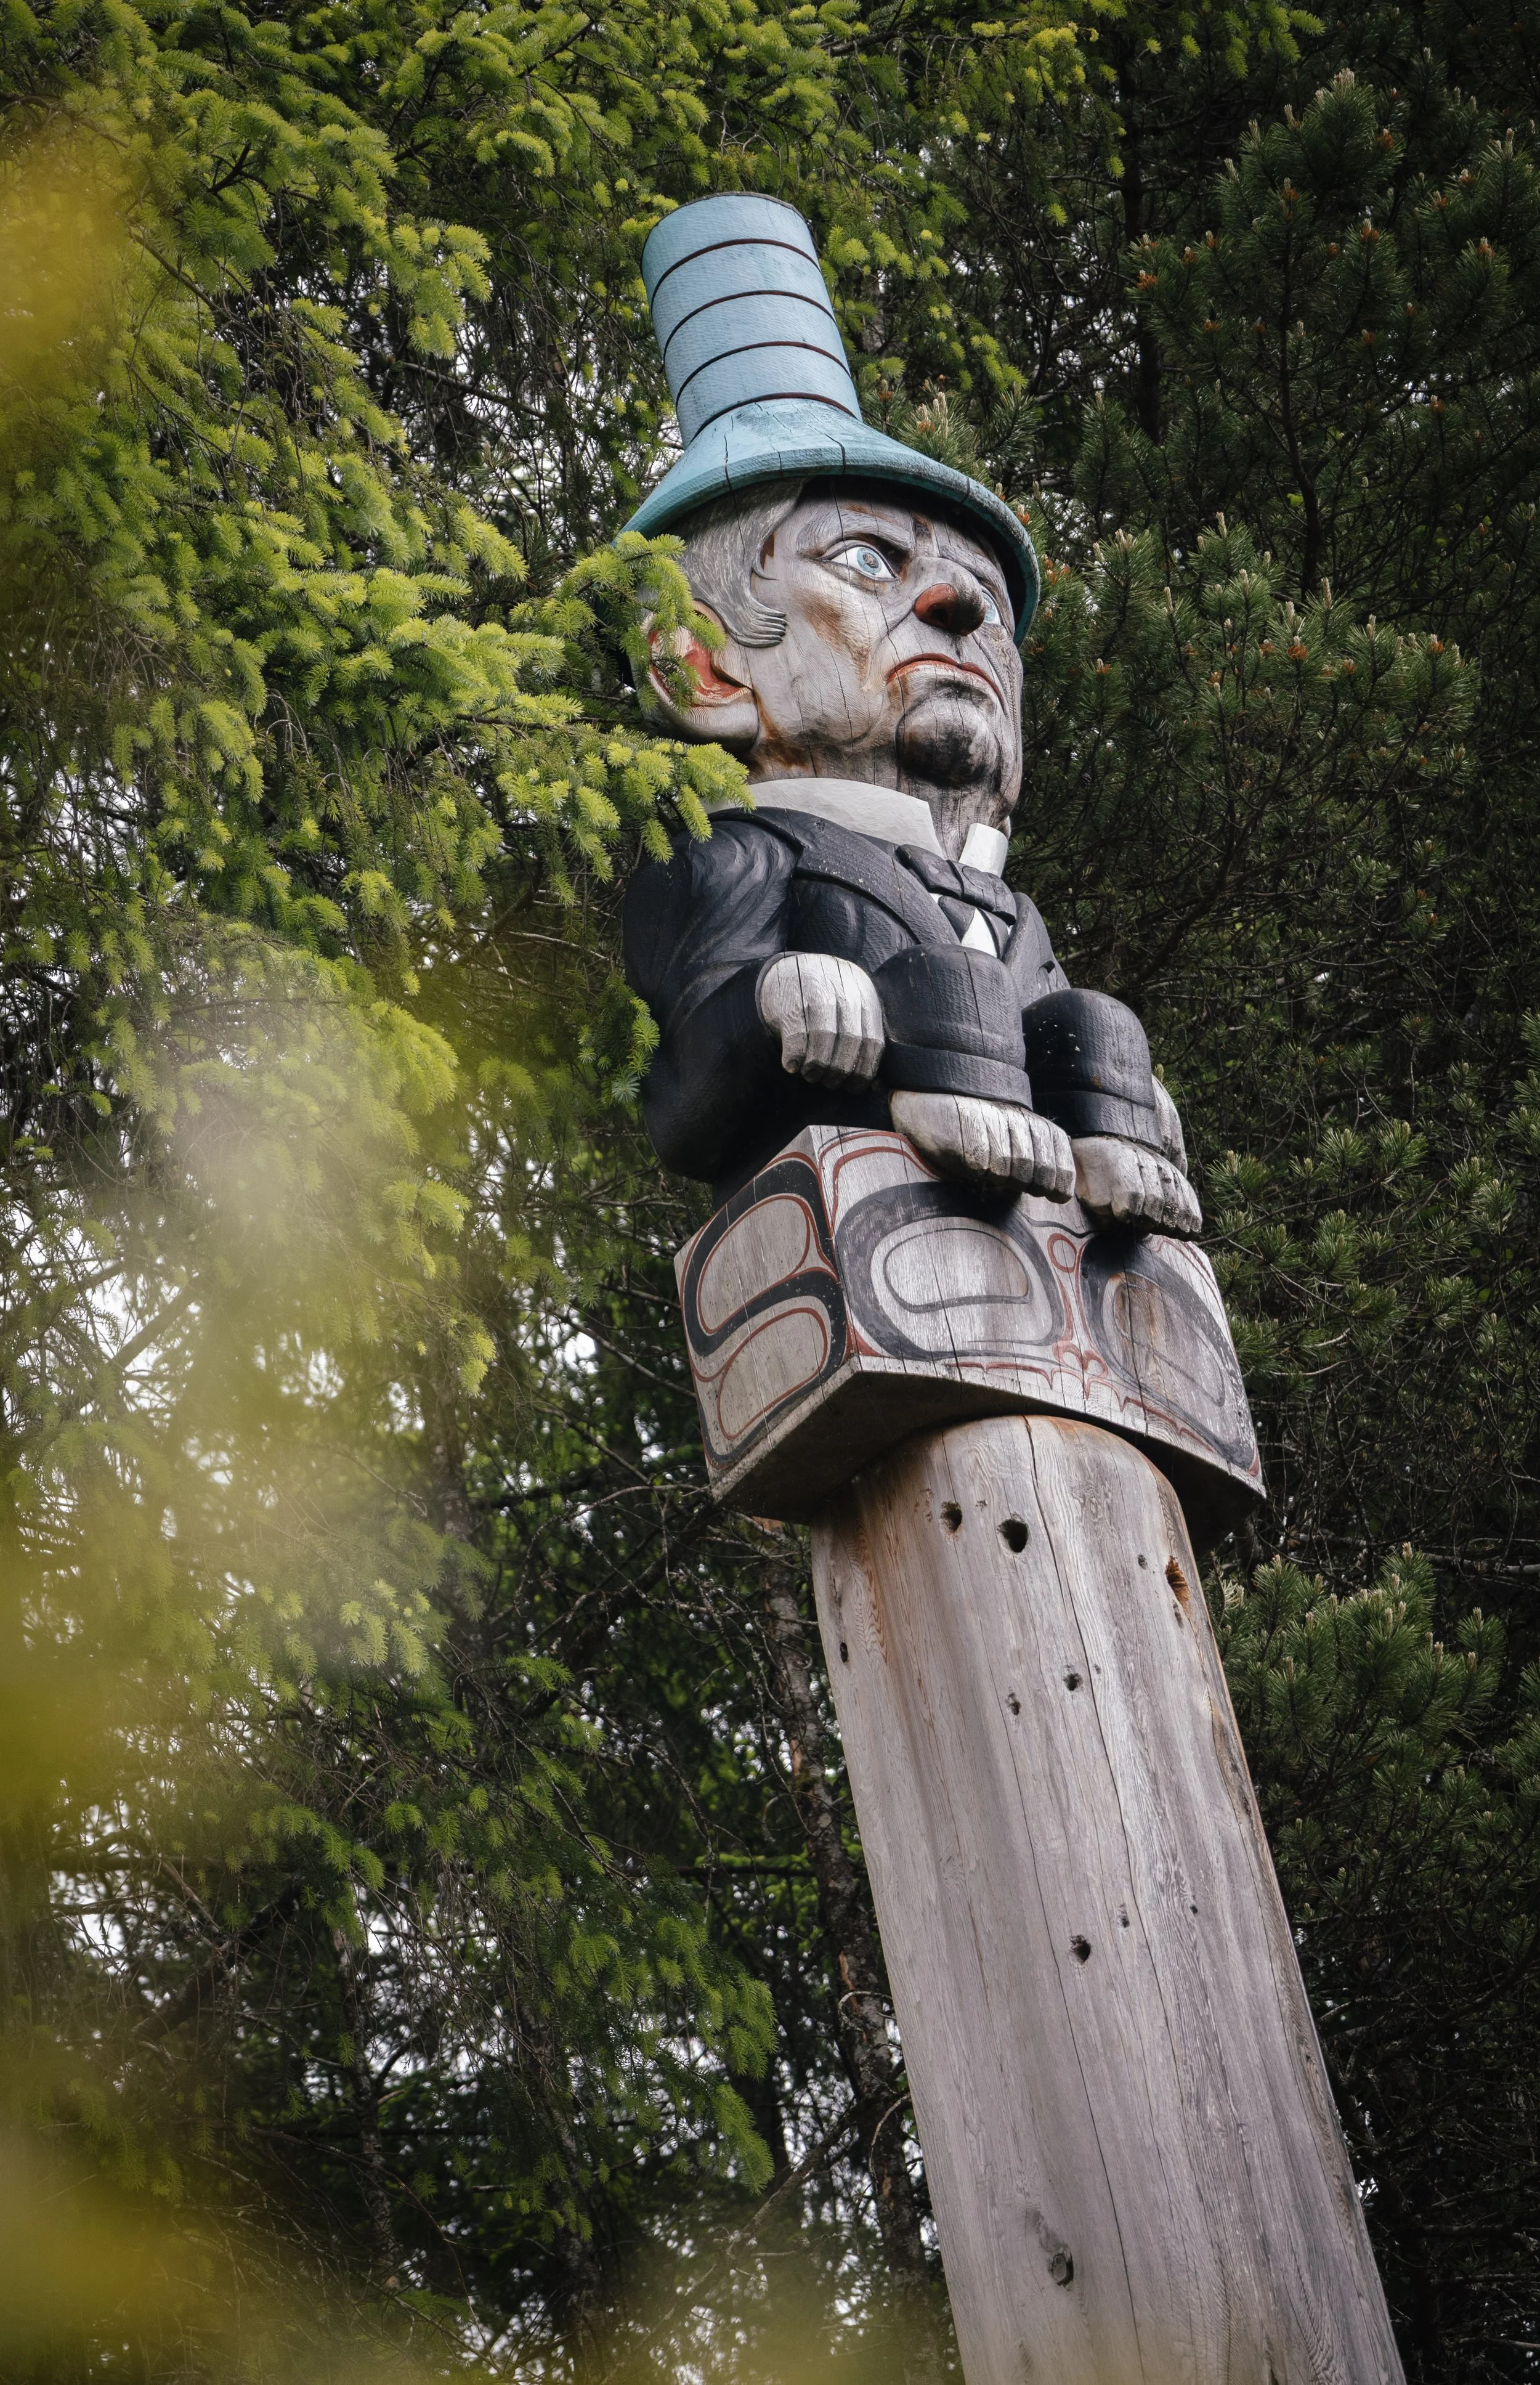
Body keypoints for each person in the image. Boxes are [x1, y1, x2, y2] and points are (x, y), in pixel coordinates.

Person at [620, 200, 1198, 1235]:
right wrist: (774, 1000)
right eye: (866, 559)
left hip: (1058, 1276)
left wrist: (1116, 1094)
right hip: (852, 1241)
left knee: (1096, 1029)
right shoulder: (734, 855)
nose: (961, 604)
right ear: (701, 663)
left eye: (988, 598)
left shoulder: (1016, 914)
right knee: (942, 991)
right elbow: (683, 1097)